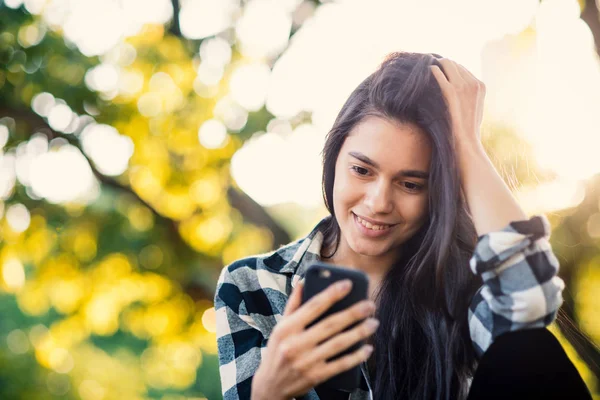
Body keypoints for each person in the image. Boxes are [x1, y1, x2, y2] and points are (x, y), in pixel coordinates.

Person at [214, 52, 589, 400]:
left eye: (411, 184)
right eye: (361, 170)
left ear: (438, 191)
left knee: (529, 344)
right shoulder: (252, 286)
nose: (378, 203)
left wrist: (467, 145)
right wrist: (268, 390)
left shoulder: (466, 286)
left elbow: (530, 305)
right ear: (333, 159)